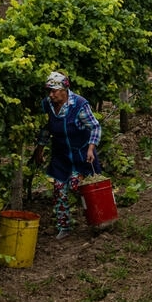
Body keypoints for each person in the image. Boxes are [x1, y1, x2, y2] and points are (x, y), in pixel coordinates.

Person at [32, 71, 102, 239]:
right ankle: (64, 227)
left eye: (54, 90)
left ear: (64, 90)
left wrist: (91, 149)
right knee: (59, 190)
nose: (51, 94)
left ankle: (98, 219)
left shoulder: (79, 104)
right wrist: (40, 149)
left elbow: (95, 127)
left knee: (78, 187)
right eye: (49, 91)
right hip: (61, 155)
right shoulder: (47, 104)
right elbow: (46, 128)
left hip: (81, 155)